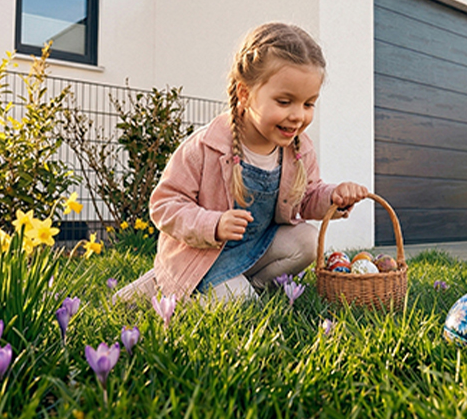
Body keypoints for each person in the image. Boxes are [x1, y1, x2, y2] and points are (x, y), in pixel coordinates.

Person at [114, 22, 369, 303]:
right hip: (204, 259)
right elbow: (164, 204)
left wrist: (332, 197)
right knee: (238, 304)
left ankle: (252, 288)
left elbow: (307, 197)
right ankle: (178, 287)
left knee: (307, 241)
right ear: (245, 94)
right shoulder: (205, 147)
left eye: (308, 104)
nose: (298, 116)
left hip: (256, 250)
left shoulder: (298, 148)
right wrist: (213, 224)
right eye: (284, 102)